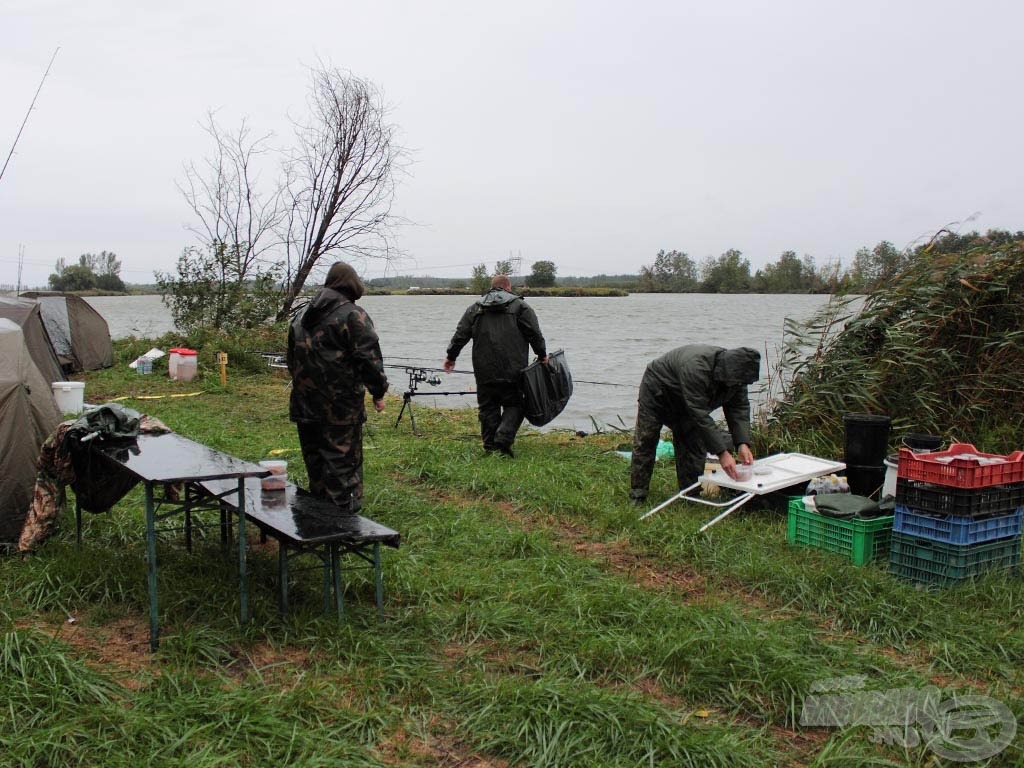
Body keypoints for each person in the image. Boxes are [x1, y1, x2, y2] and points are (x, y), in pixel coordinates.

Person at [287, 261, 388, 512]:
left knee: (317, 466)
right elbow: (369, 360)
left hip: (304, 405)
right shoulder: (353, 315)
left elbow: (291, 359)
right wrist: (379, 391)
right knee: (342, 469)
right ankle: (342, 532)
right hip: (340, 409)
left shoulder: (301, 315)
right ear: (353, 285)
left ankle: (317, 522)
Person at [629, 344, 761, 504]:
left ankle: (690, 494)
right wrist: (722, 453)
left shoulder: (738, 378)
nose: (740, 386)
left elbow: (739, 408)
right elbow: (699, 414)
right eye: (738, 382)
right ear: (727, 371)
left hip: (687, 402)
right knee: (646, 440)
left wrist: (742, 443)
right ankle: (638, 494)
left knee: (694, 444)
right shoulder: (696, 368)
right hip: (657, 392)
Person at [444, 274, 547, 456]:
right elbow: (534, 334)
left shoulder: (475, 308)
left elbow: (460, 335)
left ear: (492, 288)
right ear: (508, 287)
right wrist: (542, 355)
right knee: (516, 404)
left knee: (487, 406)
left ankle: (490, 446)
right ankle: (502, 440)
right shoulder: (521, 306)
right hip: (514, 369)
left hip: (484, 369)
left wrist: (451, 356)